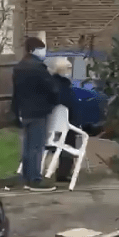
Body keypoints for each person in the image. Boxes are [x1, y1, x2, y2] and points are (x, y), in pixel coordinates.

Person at [11, 37, 59, 192]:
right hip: (39, 111)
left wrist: (15, 111)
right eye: (42, 49)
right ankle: (35, 179)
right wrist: (52, 102)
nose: (44, 52)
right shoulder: (39, 68)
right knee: (37, 146)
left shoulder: (19, 68)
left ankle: (25, 177)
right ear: (33, 50)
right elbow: (52, 89)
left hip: (24, 111)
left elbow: (16, 93)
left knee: (27, 146)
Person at [47, 57, 81, 183]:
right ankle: (63, 171)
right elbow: (71, 107)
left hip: (48, 128)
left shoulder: (49, 84)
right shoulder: (65, 87)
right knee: (70, 139)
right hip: (63, 127)